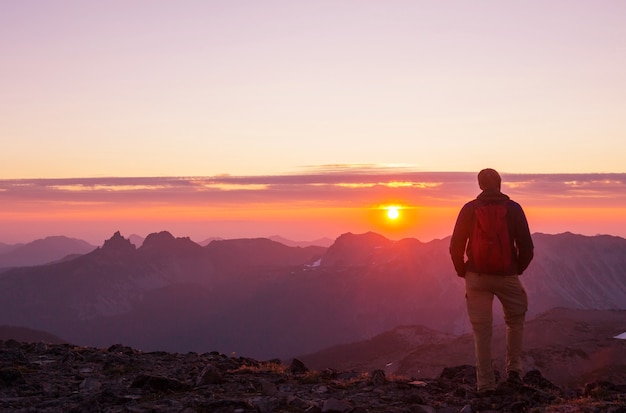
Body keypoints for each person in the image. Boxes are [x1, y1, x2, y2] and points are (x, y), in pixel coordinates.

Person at [449, 168, 534, 393]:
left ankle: (485, 385)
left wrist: (463, 271)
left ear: (479, 186)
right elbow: (527, 247)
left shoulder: (469, 209)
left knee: (482, 331)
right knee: (515, 321)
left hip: (476, 277)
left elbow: (455, 246)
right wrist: (516, 269)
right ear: (500, 184)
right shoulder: (513, 209)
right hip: (507, 276)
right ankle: (514, 371)